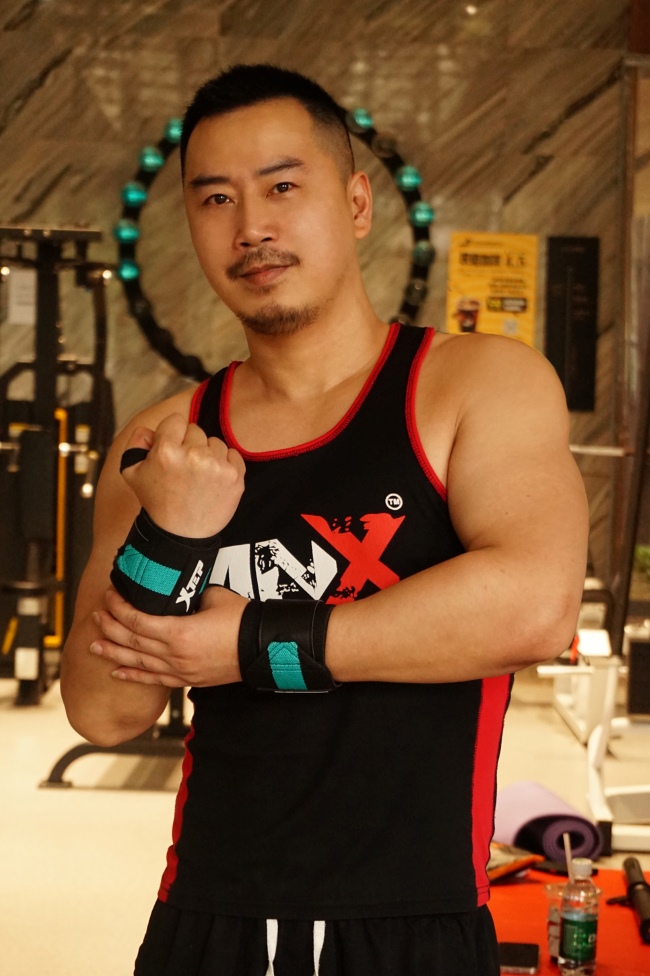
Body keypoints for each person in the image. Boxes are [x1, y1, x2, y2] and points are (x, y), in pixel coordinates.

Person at [60, 64, 589, 976]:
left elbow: (535, 608)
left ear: (356, 203)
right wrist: (170, 536)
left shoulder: (475, 386)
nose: (250, 227)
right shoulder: (164, 444)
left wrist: (249, 645)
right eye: (216, 198)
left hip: (415, 925)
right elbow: (104, 711)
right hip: (207, 922)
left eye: (281, 187)